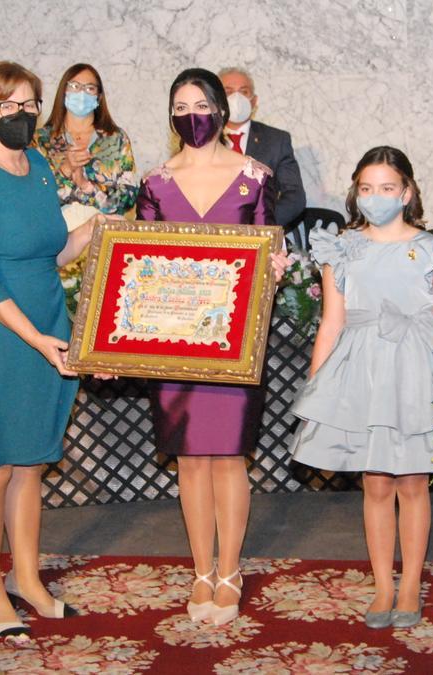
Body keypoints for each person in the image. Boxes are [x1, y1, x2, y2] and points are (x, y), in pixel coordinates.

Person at [0, 61, 105, 642]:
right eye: (7, 105)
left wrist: (97, 234)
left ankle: (27, 579)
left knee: (30, 460)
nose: (21, 114)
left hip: (43, 315)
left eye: (30, 104)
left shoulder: (36, 164)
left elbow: (45, 253)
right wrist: (36, 339)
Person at [289, 146, 433, 630]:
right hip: (362, 375)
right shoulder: (340, 247)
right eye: (367, 189)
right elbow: (330, 324)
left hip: (417, 372)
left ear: (407, 192)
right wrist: (317, 391)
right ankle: (382, 587)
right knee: (374, 484)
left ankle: (411, 583)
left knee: (414, 482)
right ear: (356, 192)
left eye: (387, 188)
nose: (376, 197)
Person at [136, 67, 287, 627]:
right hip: (175, 342)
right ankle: (200, 570)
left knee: (228, 459)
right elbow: (143, 260)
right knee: (189, 461)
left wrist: (275, 267)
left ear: (223, 109)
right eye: (180, 104)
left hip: (233, 342)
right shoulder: (155, 181)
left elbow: (271, 246)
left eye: (201, 102)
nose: (191, 113)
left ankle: (230, 570)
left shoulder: (254, 176)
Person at [36, 63, 137, 227]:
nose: (81, 93)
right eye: (75, 86)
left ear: (99, 97)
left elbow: (128, 197)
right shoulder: (41, 140)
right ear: (64, 92)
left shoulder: (116, 138)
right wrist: (66, 170)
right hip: (55, 235)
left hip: (105, 232)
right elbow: (34, 197)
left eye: (90, 88)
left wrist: (87, 187)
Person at [218, 67, 306, 228]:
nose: (236, 98)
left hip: (262, 236)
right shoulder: (202, 141)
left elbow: (295, 196)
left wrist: (263, 224)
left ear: (254, 101)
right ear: (215, 99)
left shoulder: (276, 140)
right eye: (228, 91)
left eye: (243, 92)